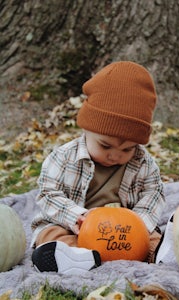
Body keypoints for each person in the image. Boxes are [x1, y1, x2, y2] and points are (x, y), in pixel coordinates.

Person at [31, 61, 165, 275]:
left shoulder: (143, 163)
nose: (115, 155)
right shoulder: (65, 157)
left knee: (153, 238)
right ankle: (72, 257)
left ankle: (162, 254)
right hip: (73, 226)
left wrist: (138, 224)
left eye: (127, 149)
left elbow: (154, 194)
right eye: (105, 145)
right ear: (87, 129)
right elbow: (47, 194)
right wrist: (77, 217)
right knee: (49, 234)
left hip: (123, 235)